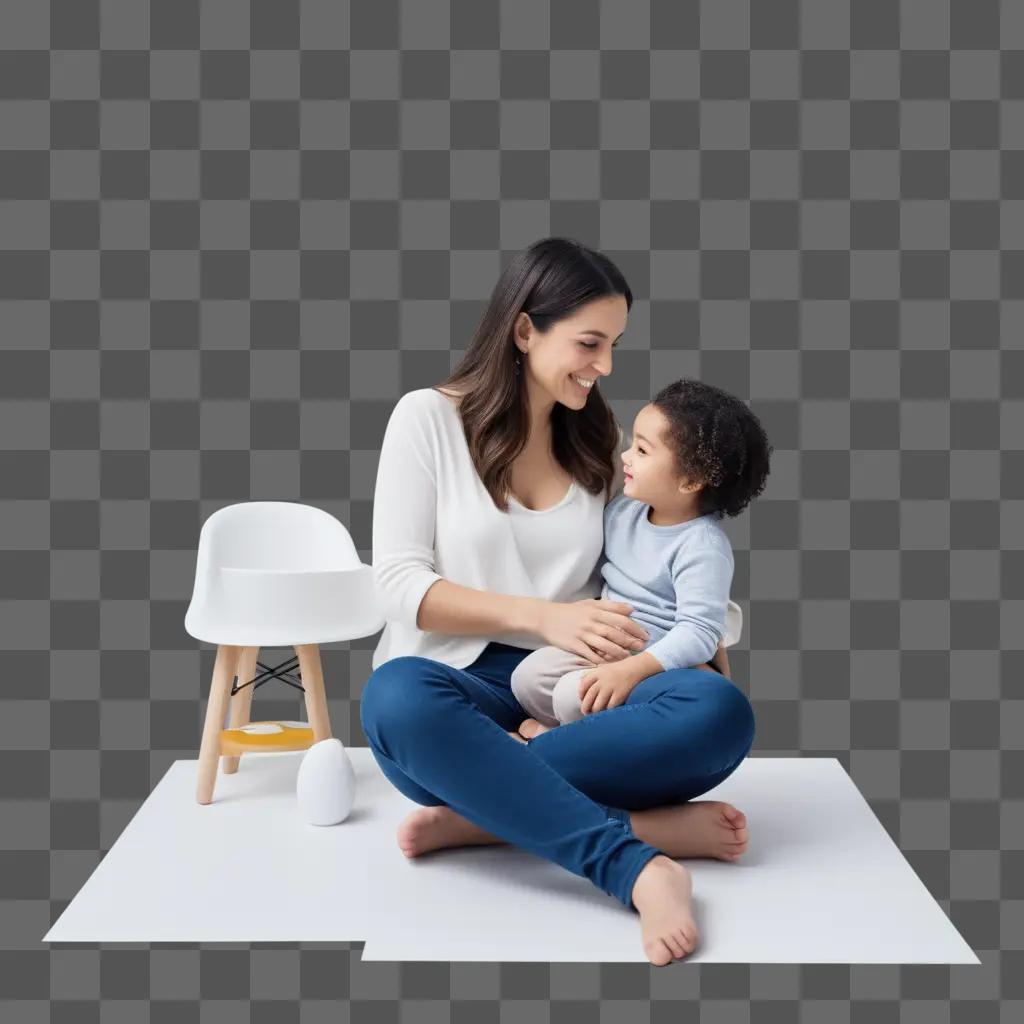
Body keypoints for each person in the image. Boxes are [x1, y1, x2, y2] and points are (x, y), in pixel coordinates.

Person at [360, 237, 760, 967]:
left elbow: (664, 563)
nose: (604, 366)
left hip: (584, 687)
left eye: (613, 346)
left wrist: (690, 642)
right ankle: (643, 857)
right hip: (462, 689)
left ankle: (482, 817)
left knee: (719, 711)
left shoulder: (599, 440)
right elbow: (397, 586)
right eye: (589, 342)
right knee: (395, 701)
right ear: (523, 330)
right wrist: (542, 617)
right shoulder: (426, 421)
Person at [511, 379, 769, 739]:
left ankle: (552, 747)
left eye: (643, 451)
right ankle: (561, 738)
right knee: (528, 677)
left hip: (657, 664)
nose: (625, 456)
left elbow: (700, 631)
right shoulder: (626, 510)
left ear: (690, 480)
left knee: (575, 696)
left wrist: (631, 671)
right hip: (608, 650)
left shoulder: (702, 545)